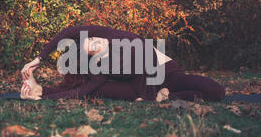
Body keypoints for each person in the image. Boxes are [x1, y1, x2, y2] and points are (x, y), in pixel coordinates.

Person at [20, 24, 225, 103]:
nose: (92, 41)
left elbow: (68, 32)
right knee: (97, 90)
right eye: (90, 48)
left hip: (168, 74)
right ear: (96, 59)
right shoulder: (103, 70)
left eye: (89, 39)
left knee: (216, 91)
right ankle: (166, 97)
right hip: (146, 89)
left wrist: (38, 59)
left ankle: (165, 96)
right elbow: (82, 91)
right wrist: (43, 95)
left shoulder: (111, 35)